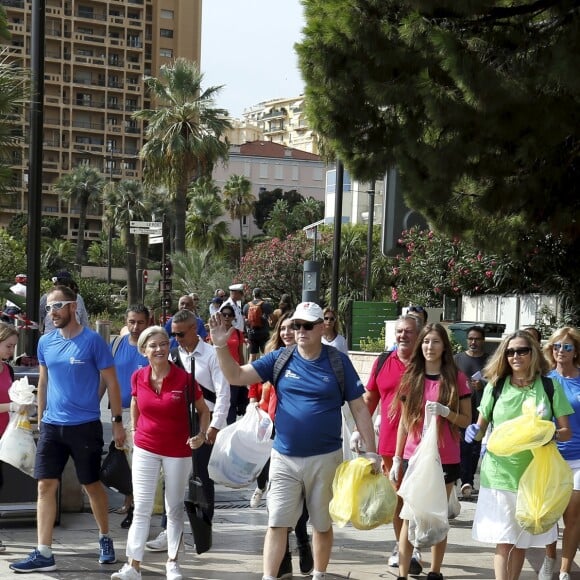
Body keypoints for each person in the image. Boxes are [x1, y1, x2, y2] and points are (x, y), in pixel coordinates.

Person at [209, 301, 378, 580]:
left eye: (307, 325)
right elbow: (236, 376)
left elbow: (359, 408)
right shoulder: (280, 358)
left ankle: (319, 575)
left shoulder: (337, 361)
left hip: (326, 457)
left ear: (322, 327)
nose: (300, 330)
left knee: (322, 525)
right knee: (277, 523)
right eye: (297, 325)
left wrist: (371, 454)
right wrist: (219, 346)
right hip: (284, 457)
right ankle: (268, 577)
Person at [10, 285, 125, 573]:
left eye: (57, 306)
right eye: (48, 308)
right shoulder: (46, 342)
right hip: (52, 426)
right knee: (45, 485)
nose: (52, 312)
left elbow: (111, 382)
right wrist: (38, 416)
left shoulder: (93, 342)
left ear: (73, 306)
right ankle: (44, 552)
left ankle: (104, 537)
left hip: (85, 426)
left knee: (90, 485)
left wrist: (118, 422)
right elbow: (45, 381)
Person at [467, 330, 573, 580]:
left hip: (534, 475)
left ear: (533, 353)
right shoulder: (496, 385)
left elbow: (566, 431)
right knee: (504, 541)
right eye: (510, 351)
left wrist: (551, 434)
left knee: (521, 542)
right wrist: (474, 431)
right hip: (499, 474)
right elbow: (481, 428)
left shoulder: (549, 385)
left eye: (522, 350)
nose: (516, 356)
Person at [110, 326, 210, 580]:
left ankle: (173, 563)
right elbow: (134, 402)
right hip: (145, 447)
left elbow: (203, 410)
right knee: (142, 508)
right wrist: (133, 429)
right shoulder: (138, 376)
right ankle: (133, 566)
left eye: (164, 344)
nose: (159, 349)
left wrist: (200, 435)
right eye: (153, 345)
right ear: (144, 350)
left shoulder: (184, 378)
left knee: (174, 507)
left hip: (178, 450)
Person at [390, 322, 472, 580]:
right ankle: (403, 573)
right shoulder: (411, 376)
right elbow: (404, 422)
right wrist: (396, 457)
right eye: (426, 341)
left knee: (437, 514)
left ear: (444, 346)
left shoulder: (456, 378)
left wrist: (447, 413)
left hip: (445, 456)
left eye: (435, 341)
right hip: (413, 457)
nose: (429, 346)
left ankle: (435, 571)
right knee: (409, 514)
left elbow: (467, 420)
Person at [145, 309, 230, 552]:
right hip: (178, 421)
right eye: (174, 335)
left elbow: (223, 393)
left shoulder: (213, 355)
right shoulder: (172, 355)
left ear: (195, 329)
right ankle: (168, 532)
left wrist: (215, 427)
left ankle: (203, 530)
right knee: (171, 475)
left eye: (181, 334)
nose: (177, 339)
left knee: (202, 477)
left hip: (205, 419)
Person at [351, 314, 424, 573]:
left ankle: (416, 545)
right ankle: (403, 546)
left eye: (409, 332)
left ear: (419, 335)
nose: (403, 336)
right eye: (400, 331)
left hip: (421, 444)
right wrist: (360, 430)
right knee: (397, 500)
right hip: (390, 444)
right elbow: (370, 397)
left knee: (418, 500)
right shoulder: (383, 361)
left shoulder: (426, 363)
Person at [249, 309, 314, 577]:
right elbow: (253, 382)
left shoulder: (309, 359)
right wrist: (253, 402)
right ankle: (284, 560)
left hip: (298, 436)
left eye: (294, 327)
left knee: (301, 501)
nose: (288, 332)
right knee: (279, 503)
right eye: (285, 328)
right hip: (271, 434)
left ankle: (302, 541)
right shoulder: (272, 358)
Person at [99, 305, 150, 528]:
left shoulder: (152, 347)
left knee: (137, 461)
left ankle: (135, 507)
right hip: (119, 412)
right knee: (122, 460)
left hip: (143, 413)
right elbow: (105, 377)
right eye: (131, 322)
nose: (135, 327)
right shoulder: (116, 344)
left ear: (148, 322)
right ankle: (130, 501)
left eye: (140, 322)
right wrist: (94, 403)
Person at [538, 328, 580, 580]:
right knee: (550, 513)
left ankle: (564, 571)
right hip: (550, 457)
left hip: (579, 458)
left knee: (573, 513)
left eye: (567, 347)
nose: (561, 351)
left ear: (576, 351)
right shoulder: (544, 380)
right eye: (556, 346)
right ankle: (549, 557)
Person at [454, 325, 489, 498]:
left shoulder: (490, 361)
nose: (473, 342)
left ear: (483, 340)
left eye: (477, 339)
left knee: (474, 447)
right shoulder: (457, 359)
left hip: (481, 411)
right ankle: (462, 479)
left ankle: (468, 480)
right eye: (471, 339)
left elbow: (498, 383)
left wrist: (483, 385)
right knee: (461, 446)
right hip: (460, 411)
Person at [0, 322, 23, 552]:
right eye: (8, 346)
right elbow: (8, 403)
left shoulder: (8, 369)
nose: (11, 351)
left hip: (4, 437)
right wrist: (11, 406)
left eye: (14, 346)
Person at [218, 303, 247, 425]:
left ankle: (231, 428)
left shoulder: (238, 333)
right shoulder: (215, 332)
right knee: (219, 401)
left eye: (229, 315)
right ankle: (216, 429)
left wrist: (243, 372)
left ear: (233, 317)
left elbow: (240, 353)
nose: (226, 317)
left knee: (232, 402)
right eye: (224, 314)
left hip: (234, 371)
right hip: (219, 371)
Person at [243, 288, 273, 362]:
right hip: (264, 333)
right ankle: (267, 372)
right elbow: (272, 318)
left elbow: (244, 320)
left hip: (252, 334)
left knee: (252, 355)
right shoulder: (265, 304)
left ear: (253, 295)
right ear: (261, 294)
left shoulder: (247, 306)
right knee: (267, 353)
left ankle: (249, 373)